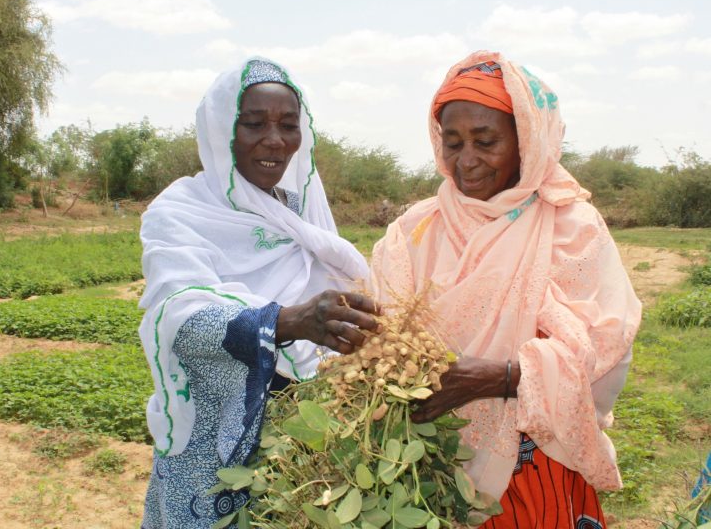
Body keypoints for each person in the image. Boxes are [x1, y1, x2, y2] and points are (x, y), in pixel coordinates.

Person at [371, 52, 641, 528]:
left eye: (486, 141)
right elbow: (383, 333)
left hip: (537, 460)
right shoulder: (415, 230)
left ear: (526, 141)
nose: (466, 161)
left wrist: (503, 377)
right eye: (452, 142)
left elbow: (606, 348)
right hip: (427, 465)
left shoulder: (571, 227)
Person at [137, 57, 379, 529]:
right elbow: (181, 318)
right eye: (254, 123)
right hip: (214, 445)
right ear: (221, 130)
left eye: (288, 125)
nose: (275, 140)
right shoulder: (181, 211)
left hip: (304, 442)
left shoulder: (298, 212)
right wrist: (288, 321)